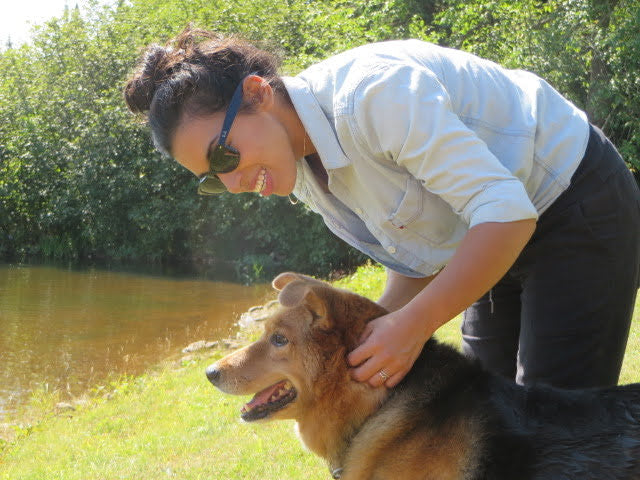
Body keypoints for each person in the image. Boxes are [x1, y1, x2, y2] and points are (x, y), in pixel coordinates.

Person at [124, 28, 640, 391]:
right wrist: (360, 342)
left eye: (224, 155)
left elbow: (506, 213)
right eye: (214, 179)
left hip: (572, 202)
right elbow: (415, 256)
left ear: (257, 93)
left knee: (550, 416)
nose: (233, 184)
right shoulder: (295, 164)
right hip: (487, 234)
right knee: (489, 407)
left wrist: (412, 327)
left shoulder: (374, 97)